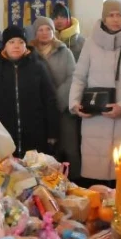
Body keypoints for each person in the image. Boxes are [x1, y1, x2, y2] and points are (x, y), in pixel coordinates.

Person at [69, 0, 121, 188]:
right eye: (111, 15)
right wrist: (74, 104)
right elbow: (79, 76)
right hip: (95, 120)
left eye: (119, 15)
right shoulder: (90, 43)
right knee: (95, 185)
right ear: (104, 18)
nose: (115, 19)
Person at [0, 26, 58, 156]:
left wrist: (52, 133)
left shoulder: (38, 68)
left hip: (35, 134)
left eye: (21, 42)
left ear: (26, 45)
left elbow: (50, 100)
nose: (16, 46)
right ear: (4, 46)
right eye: (11, 42)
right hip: (4, 135)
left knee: (34, 173)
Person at [29, 16, 79, 177]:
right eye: (40, 30)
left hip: (62, 108)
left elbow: (73, 77)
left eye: (48, 29)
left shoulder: (65, 52)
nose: (45, 33)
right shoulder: (29, 53)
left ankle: (74, 183)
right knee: (47, 153)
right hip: (39, 111)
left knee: (69, 148)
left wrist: (55, 100)